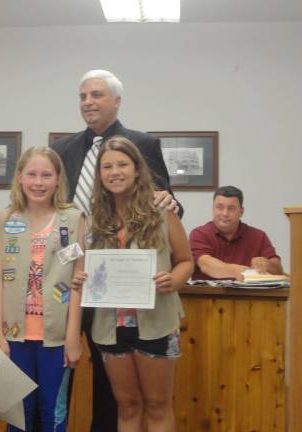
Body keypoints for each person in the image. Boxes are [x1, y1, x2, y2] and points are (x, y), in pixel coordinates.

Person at [50, 69, 182, 432]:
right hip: (76, 280)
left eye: (96, 95)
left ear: (117, 101)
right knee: (65, 371)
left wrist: (169, 201)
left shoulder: (143, 144)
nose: (88, 102)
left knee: (117, 394)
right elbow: (47, 210)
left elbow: (168, 209)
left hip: (132, 297)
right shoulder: (60, 149)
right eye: (82, 96)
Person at [72, 136, 193, 432]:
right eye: (107, 166)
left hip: (155, 322)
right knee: (126, 406)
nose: (115, 172)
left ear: (137, 169)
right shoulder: (91, 219)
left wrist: (173, 280)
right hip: (111, 326)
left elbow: (186, 261)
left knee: (157, 405)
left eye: (122, 164)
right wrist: (79, 277)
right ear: (99, 175)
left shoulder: (162, 211)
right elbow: (81, 265)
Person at [0, 147, 85, 432]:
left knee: (52, 413)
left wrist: (73, 337)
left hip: (55, 338)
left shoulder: (73, 219)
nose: (38, 182)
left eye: (46, 175)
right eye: (31, 174)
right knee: (19, 413)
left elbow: (77, 279)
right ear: (20, 177)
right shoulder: (5, 220)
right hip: (13, 336)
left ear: (58, 180)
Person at [189, 185, 283, 280]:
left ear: (241, 212)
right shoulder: (199, 234)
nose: (225, 213)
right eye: (220, 207)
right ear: (213, 209)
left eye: (231, 208)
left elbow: (278, 269)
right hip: (207, 294)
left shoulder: (258, 236)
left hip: (249, 294)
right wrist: (243, 271)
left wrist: (267, 265)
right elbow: (206, 265)